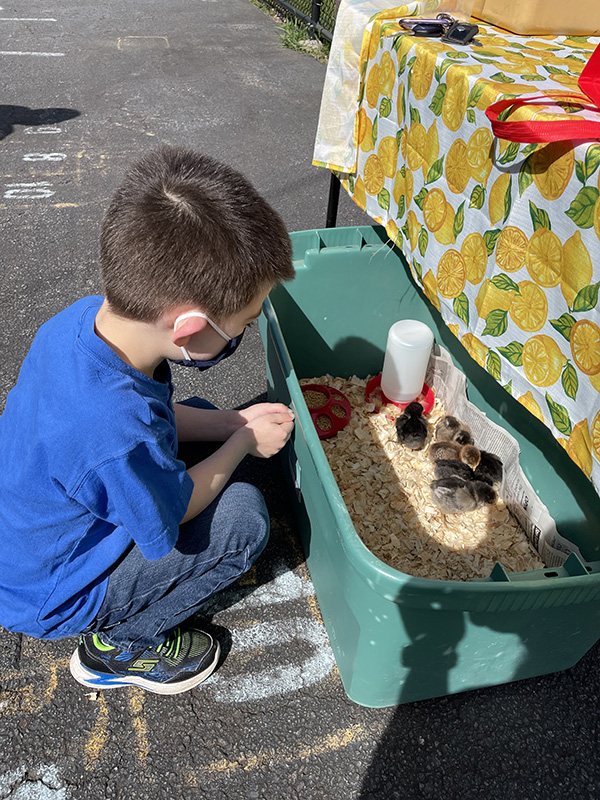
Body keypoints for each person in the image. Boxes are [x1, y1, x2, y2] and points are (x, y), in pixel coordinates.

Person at [0, 146, 296, 695]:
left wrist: (231, 422)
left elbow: (150, 418)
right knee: (241, 522)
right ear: (186, 329)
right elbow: (176, 506)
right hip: (52, 592)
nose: (244, 335)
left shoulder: (83, 323)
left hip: (27, 531)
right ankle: (118, 648)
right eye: (244, 324)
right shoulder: (111, 428)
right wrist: (243, 443)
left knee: (207, 419)